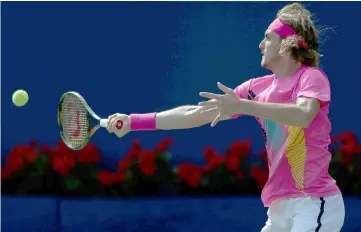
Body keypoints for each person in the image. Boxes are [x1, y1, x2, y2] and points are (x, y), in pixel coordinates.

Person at [106, 3, 344, 232]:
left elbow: (303, 115)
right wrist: (133, 121)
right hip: (280, 208)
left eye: (268, 37)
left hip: (314, 202)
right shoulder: (255, 89)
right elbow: (195, 114)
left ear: (287, 43)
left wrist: (246, 106)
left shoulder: (311, 77)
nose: (261, 45)